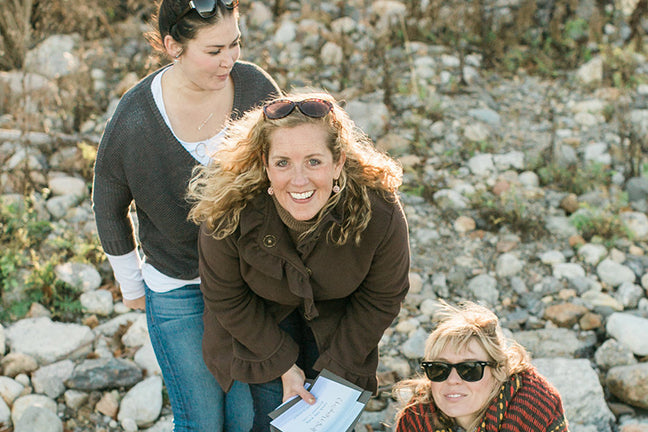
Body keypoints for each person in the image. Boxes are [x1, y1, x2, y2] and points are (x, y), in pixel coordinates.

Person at [91, 0, 282, 430]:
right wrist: (130, 282)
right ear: (172, 46)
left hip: (254, 282)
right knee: (201, 418)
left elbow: (289, 162)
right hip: (179, 289)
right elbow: (107, 203)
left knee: (252, 418)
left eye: (235, 44)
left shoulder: (254, 87)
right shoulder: (135, 117)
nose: (229, 60)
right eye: (213, 51)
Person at [186, 92, 411, 431]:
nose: (299, 179)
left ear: (338, 162)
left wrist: (335, 376)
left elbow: (382, 296)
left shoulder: (379, 210)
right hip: (258, 324)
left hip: (340, 325)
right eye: (283, 163)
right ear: (265, 163)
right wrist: (283, 365)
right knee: (265, 420)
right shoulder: (228, 211)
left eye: (314, 161)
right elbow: (225, 297)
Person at [394, 301, 569, 432]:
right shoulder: (416, 419)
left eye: (469, 369)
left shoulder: (532, 408)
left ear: (498, 371)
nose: (452, 380)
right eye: (439, 368)